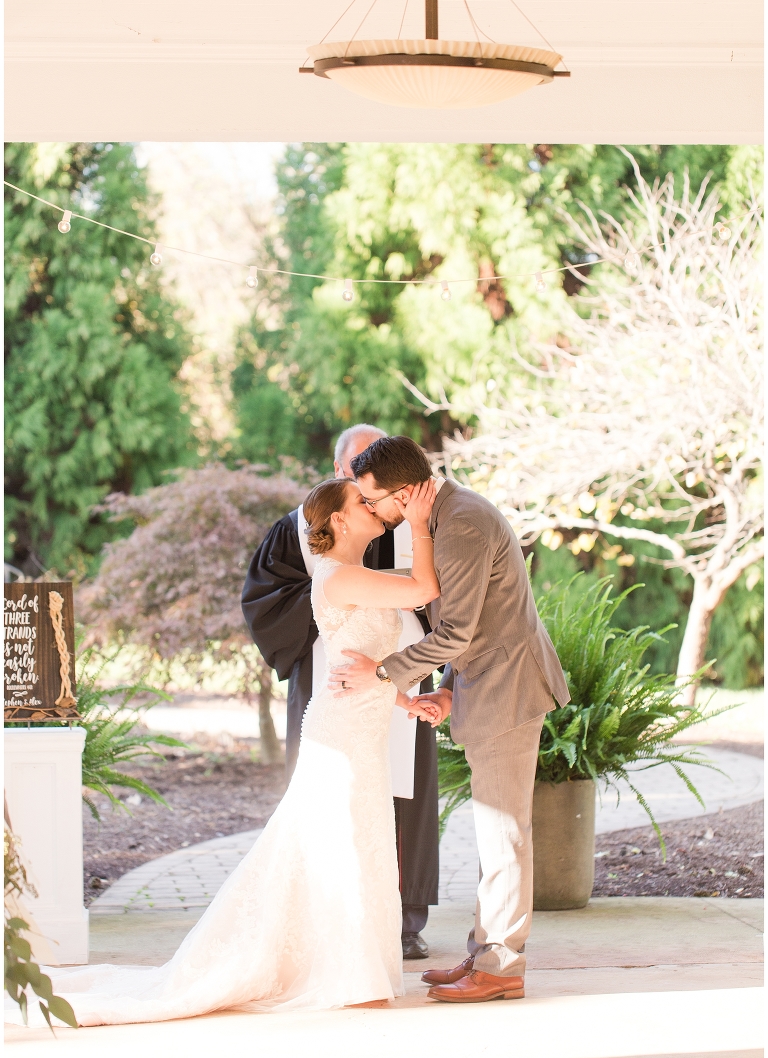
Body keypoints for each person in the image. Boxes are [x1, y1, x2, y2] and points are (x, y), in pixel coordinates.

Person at [27, 478, 441, 1025]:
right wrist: (420, 519)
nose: (373, 507)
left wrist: (408, 702)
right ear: (339, 521)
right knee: (341, 847)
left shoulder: (360, 576)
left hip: (360, 728)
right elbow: (423, 591)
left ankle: (352, 969)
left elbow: (359, 666)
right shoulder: (340, 577)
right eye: (361, 503)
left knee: (353, 845)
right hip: (340, 738)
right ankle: (345, 974)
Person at [327, 436, 570, 1005]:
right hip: (486, 685)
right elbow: (480, 623)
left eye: (375, 500)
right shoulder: (448, 517)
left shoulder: (460, 524)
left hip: (508, 690)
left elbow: (457, 631)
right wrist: (448, 691)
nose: (376, 514)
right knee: (495, 831)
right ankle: (486, 953)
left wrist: (384, 674)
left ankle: (501, 966)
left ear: (406, 492)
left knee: (505, 832)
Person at [241, 424, 440, 960]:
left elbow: (437, 597)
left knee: (391, 807)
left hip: (387, 687)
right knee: (342, 812)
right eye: (358, 479)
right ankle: (329, 931)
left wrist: (404, 692)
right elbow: (267, 600)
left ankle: (402, 920)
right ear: (338, 477)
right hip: (335, 688)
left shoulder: (394, 526)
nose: (372, 498)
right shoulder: (298, 535)